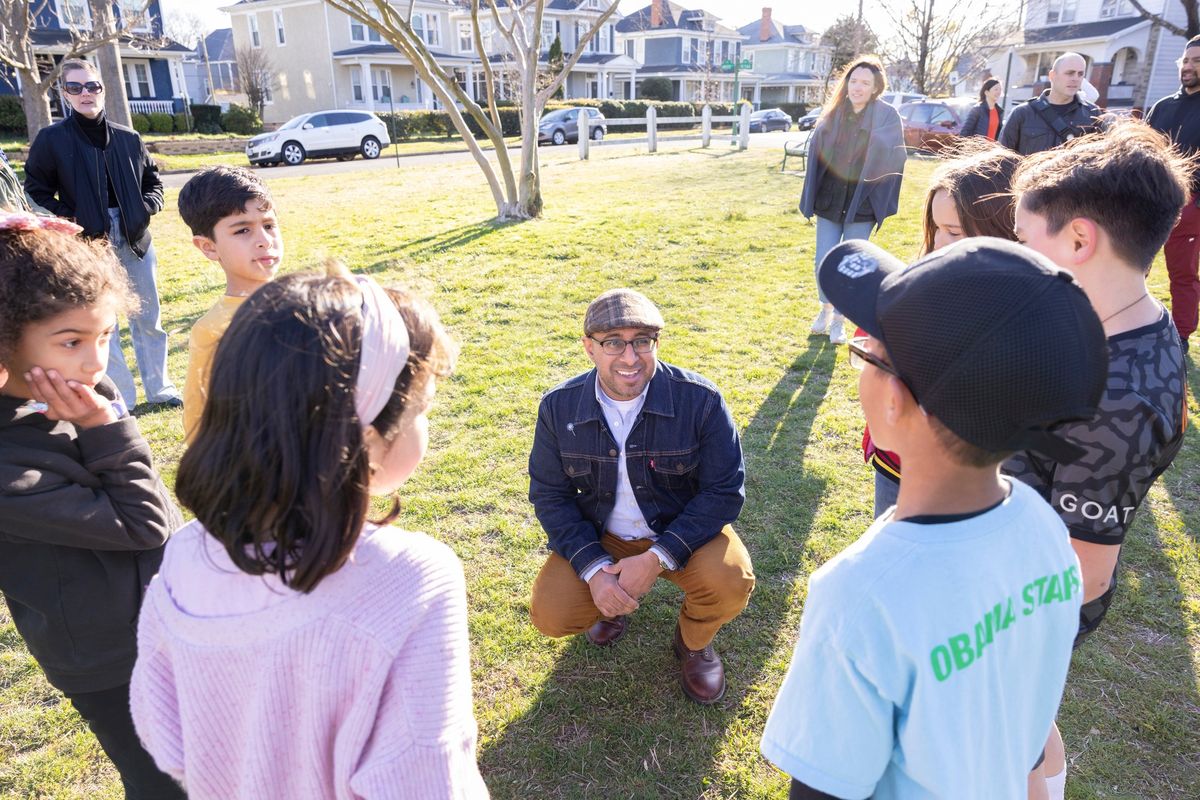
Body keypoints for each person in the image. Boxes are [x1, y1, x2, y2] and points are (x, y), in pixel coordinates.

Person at [761, 236, 1109, 799]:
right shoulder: (1044, 531)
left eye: (866, 348)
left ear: (894, 400)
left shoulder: (859, 596)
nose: (860, 354)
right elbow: (1024, 728)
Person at [130, 270, 489, 799]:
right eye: (421, 409)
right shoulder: (413, 578)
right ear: (365, 436)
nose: (425, 424)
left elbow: (164, 734)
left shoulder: (185, 554)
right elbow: (429, 780)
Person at [1007, 120, 1191, 800]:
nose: (1021, 258)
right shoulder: (1126, 314)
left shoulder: (1122, 398)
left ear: (1080, 240)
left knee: (1016, 729)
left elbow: (1083, 575)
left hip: (1028, 609)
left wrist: (981, 618)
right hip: (1021, 569)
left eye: (1028, 243)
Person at [0, 212, 185, 799]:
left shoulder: (89, 394)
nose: (95, 362)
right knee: (163, 784)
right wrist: (106, 427)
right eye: (71, 342)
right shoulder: (9, 466)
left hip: (170, 621)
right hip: (108, 659)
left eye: (104, 337)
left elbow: (155, 504)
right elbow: (144, 524)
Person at [527, 288, 755, 705]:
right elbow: (549, 495)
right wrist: (595, 569)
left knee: (730, 582)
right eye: (613, 342)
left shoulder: (702, 401)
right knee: (551, 613)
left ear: (656, 344)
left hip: (682, 533)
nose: (630, 357)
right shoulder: (558, 407)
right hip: (602, 537)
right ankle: (610, 604)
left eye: (642, 342)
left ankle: (692, 642)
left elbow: (724, 491)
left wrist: (658, 557)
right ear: (589, 348)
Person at [864, 141, 1022, 516]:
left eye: (956, 230)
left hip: (974, 480)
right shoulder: (916, 287)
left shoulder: (1025, 311)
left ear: (1006, 228)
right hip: (899, 464)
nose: (940, 242)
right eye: (936, 228)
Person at [23, 59, 181, 410]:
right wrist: (70, 218)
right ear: (64, 94)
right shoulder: (52, 139)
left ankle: (161, 389)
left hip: (135, 240)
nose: (85, 93)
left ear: (103, 89)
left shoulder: (129, 137)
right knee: (101, 324)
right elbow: (35, 188)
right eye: (75, 87)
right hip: (88, 244)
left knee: (148, 318)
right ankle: (121, 398)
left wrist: (146, 207)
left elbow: (152, 182)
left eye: (92, 85)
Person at [800, 55, 907, 345]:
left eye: (865, 83)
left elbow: (896, 153)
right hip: (830, 199)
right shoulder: (835, 112)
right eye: (854, 80)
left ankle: (839, 320)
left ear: (875, 88)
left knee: (852, 261)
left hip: (862, 202)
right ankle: (825, 309)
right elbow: (818, 154)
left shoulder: (886, 115)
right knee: (824, 258)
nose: (857, 87)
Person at [177, 166, 282, 439]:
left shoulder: (308, 302)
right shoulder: (213, 331)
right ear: (208, 246)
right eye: (243, 230)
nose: (264, 241)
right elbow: (198, 425)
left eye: (269, 225)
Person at [1147, 35, 1200, 354]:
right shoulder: (1162, 106)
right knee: (1132, 267)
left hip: (1190, 207)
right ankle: (1135, 324)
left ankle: (1180, 336)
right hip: (1152, 202)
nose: (1189, 66)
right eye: (1187, 60)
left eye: (1197, 61)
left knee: (1182, 275)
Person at [1000, 52, 1102, 156]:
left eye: (1080, 74)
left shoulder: (1093, 114)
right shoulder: (1022, 113)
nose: (1075, 78)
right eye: (1069, 73)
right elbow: (1003, 160)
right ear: (1052, 76)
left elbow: (1101, 161)